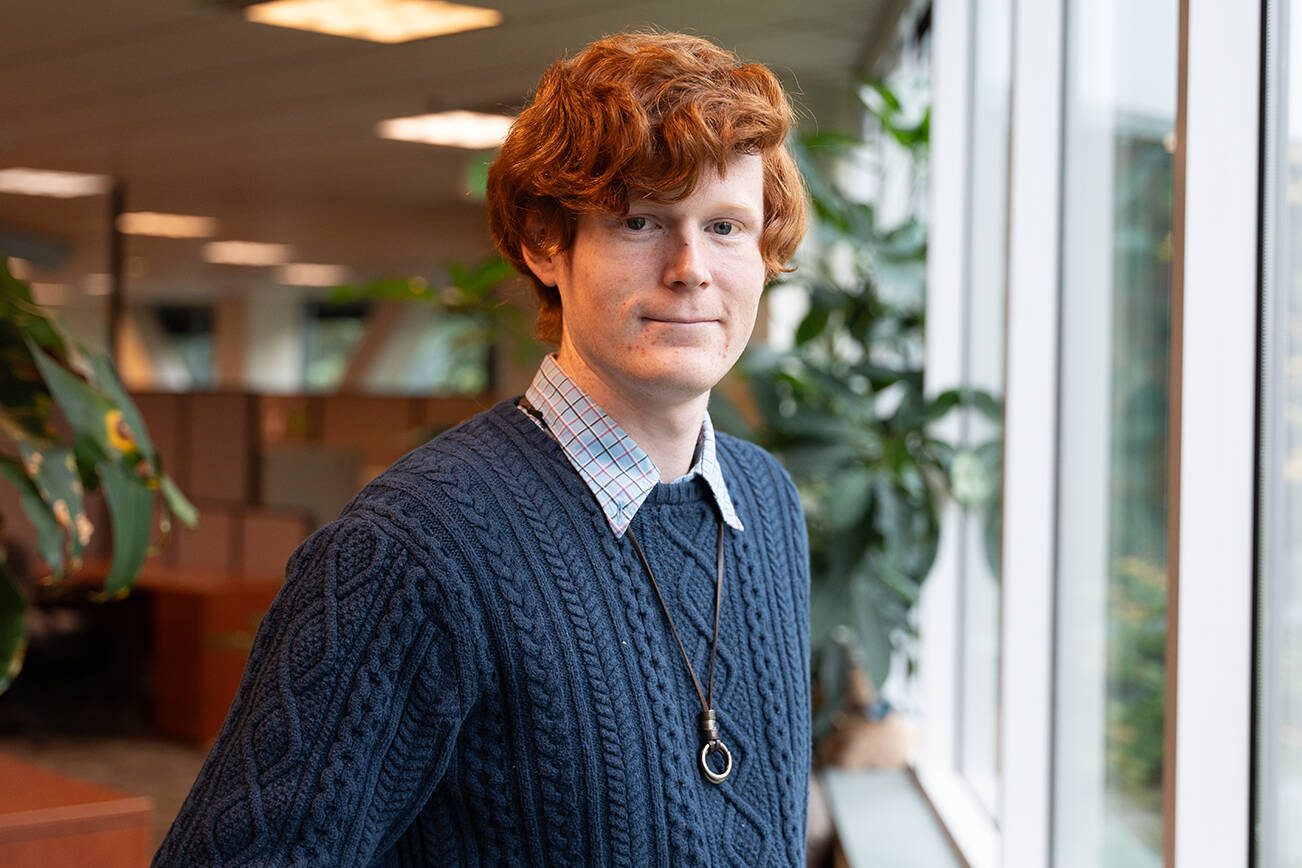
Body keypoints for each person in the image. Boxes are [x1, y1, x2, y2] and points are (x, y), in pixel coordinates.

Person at [155, 30, 811, 867]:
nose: (691, 268)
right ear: (546, 243)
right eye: (641, 220)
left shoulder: (767, 503)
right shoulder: (414, 549)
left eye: (725, 225)